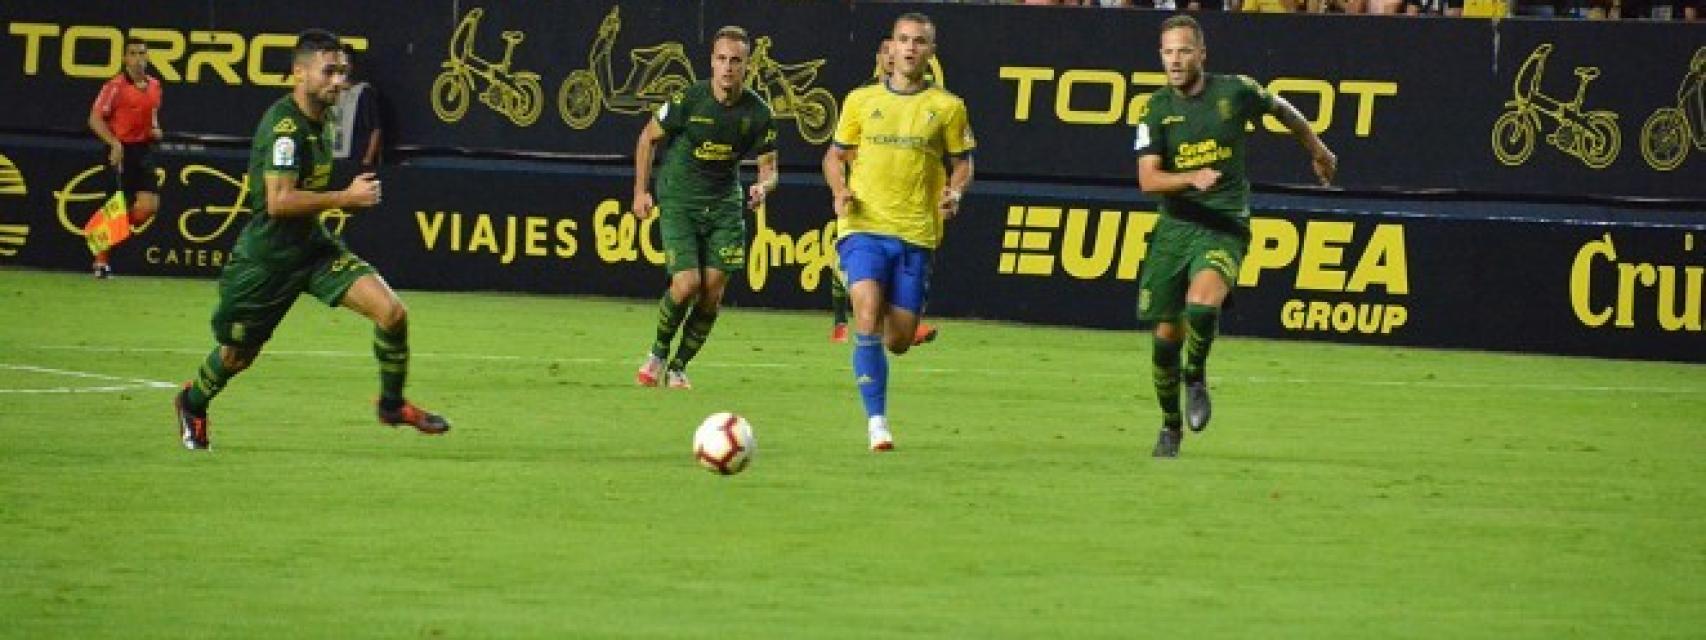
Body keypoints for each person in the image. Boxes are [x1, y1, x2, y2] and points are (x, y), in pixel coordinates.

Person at [172, 29, 450, 451]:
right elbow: (279, 202)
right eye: (329, 71)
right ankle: (192, 403)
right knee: (236, 357)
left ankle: (391, 406)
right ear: (299, 73)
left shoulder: (324, 119)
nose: (339, 80)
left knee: (392, 313)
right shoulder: (285, 129)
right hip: (266, 260)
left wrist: (341, 203)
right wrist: (344, 198)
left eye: (343, 72)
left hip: (312, 249)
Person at [1134, 15, 1336, 458]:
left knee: (1201, 306)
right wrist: (1191, 178)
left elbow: (1282, 109)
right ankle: (1170, 428)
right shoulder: (1153, 109)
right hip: (1174, 229)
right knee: (1165, 339)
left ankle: (1197, 377)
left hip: (1224, 224)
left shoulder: (1236, 91)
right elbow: (1148, 181)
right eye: (1168, 52)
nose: (1175, 60)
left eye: (1184, 50)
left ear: (1202, 54)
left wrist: (1317, 148)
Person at [822, 12, 974, 452]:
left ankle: (894, 329)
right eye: (903, 40)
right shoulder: (859, 100)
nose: (910, 48)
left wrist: (956, 192)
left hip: (916, 233)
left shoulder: (947, 107)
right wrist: (838, 191)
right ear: (890, 48)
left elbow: (962, 163)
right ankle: (878, 424)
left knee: (899, 339)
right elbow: (834, 156)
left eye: (919, 42)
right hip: (863, 225)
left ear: (931, 51)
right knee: (866, 311)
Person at [631, 26, 779, 389]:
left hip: (724, 205)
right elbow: (647, 138)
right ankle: (657, 353)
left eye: (736, 61)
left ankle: (679, 366)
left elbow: (770, 169)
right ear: (712, 62)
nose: (728, 67)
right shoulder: (687, 100)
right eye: (722, 59)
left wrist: (763, 186)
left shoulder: (759, 113)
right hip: (680, 199)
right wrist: (640, 192)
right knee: (686, 284)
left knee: (712, 291)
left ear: (748, 66)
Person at [87, 37, 164, 279]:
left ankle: (102, 231)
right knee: (115, 208)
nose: (139, 58)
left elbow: (152, 119)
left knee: (148, 207)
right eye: (133, 53)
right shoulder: (114, 87)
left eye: (142, 53)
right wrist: (113, 143)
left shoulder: (155, 86)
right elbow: (95, 119)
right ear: (125, 58)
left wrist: (156, 130)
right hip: (119, 151)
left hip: (143, 151)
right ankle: (101, 263)